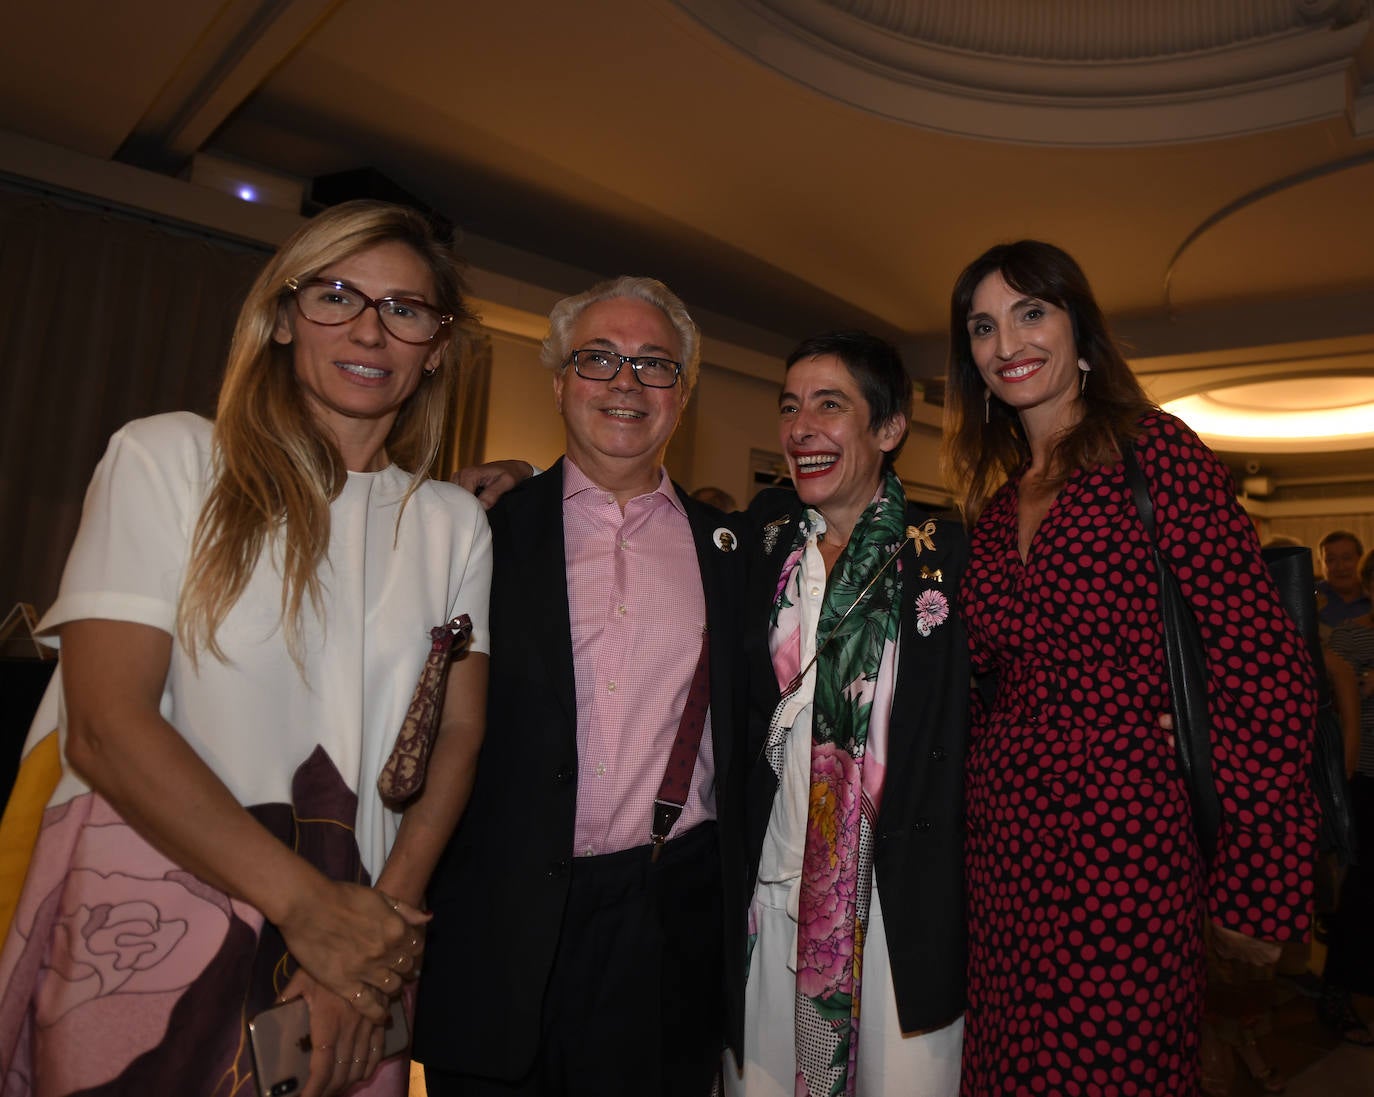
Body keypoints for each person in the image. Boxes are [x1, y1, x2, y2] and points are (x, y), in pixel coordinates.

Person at [0, 200, 492, 1097]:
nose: (371, 330)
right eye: (337, 296)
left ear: (437, 350)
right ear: (278, 316)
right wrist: (313, 911)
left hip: (358, 945)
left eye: (406, 310)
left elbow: (457, 733)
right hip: (154, 920)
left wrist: (369, 941)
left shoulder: (452, 524)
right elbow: (105, 726)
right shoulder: (170, 460)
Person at [943, 240, 1320, 1096]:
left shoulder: (1157, 456)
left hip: (1126, 837)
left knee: (1113, 1064)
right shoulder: (997, 507)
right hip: (1002, 850)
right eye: (982, 327)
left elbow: (1262, 666)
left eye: (1030, 312)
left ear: (1080, 331)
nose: (1007, 343)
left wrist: (1257, 884)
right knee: (1009, 1071)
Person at [414, 276, 748, 1096]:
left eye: (654, 364)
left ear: (684, 390)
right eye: (598, 358)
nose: (627, 382)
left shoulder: (742, 552)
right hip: (498, 926)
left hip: (667, 930)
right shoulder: (476, 528)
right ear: (559, 380)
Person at [728, 332, 968, 1097]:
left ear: (890, 428)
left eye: (830, 405)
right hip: (768, 900)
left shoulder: (950, 560)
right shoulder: (759, 547)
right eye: (790, 406)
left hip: (898, 909)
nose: (801, 428)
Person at [1317, 548, 1374, 1045]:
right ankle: (1339, 993)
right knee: (1358, 896)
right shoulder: (1351, 638)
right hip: (1369, 783)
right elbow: (1341, 716)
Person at [1318, 531, 1371, 631]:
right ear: (1320, 564)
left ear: (1361, 560)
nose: (1340, 567)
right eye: (1331, 560)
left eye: (1347, 558)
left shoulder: (1372, 596)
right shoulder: (1309, 597)